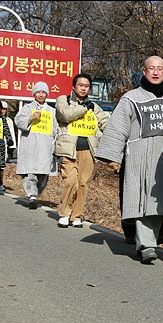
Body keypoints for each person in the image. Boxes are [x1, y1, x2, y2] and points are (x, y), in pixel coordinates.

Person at [95, 56, 163, 264]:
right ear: (144, 71)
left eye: (160, 69)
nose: (156, 72)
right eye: (151, 68)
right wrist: (112, 156)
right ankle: (146, 245)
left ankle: (150, 238)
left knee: (158, 201)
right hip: (138, 158)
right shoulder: (131, 98)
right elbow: (118, 128)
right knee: (142, 198)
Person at [55, 73, 109, 228]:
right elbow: (66, 115)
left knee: (83, 183)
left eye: (86, 86)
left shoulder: (94, 107)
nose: (83, 88)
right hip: (68, 149)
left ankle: (76, 216)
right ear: (74, 87)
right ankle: (64, 213)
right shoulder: (63, 100)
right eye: (80, 85)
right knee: (70, 181)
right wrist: (84, 108)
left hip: (88, 150)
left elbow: (106, 123)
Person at [14, 82, 59, 209]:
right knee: (30, 172)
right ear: (34, 93)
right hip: (30, 146)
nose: (41, 95)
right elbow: (18, 121)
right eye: (38, 92)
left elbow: (56, 128)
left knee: (44, 173)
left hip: (45, 147)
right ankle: (31, 195)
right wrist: (30, 118)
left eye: (43, 92)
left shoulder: (52, 111)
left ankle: (36, 193)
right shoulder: (27, 108)